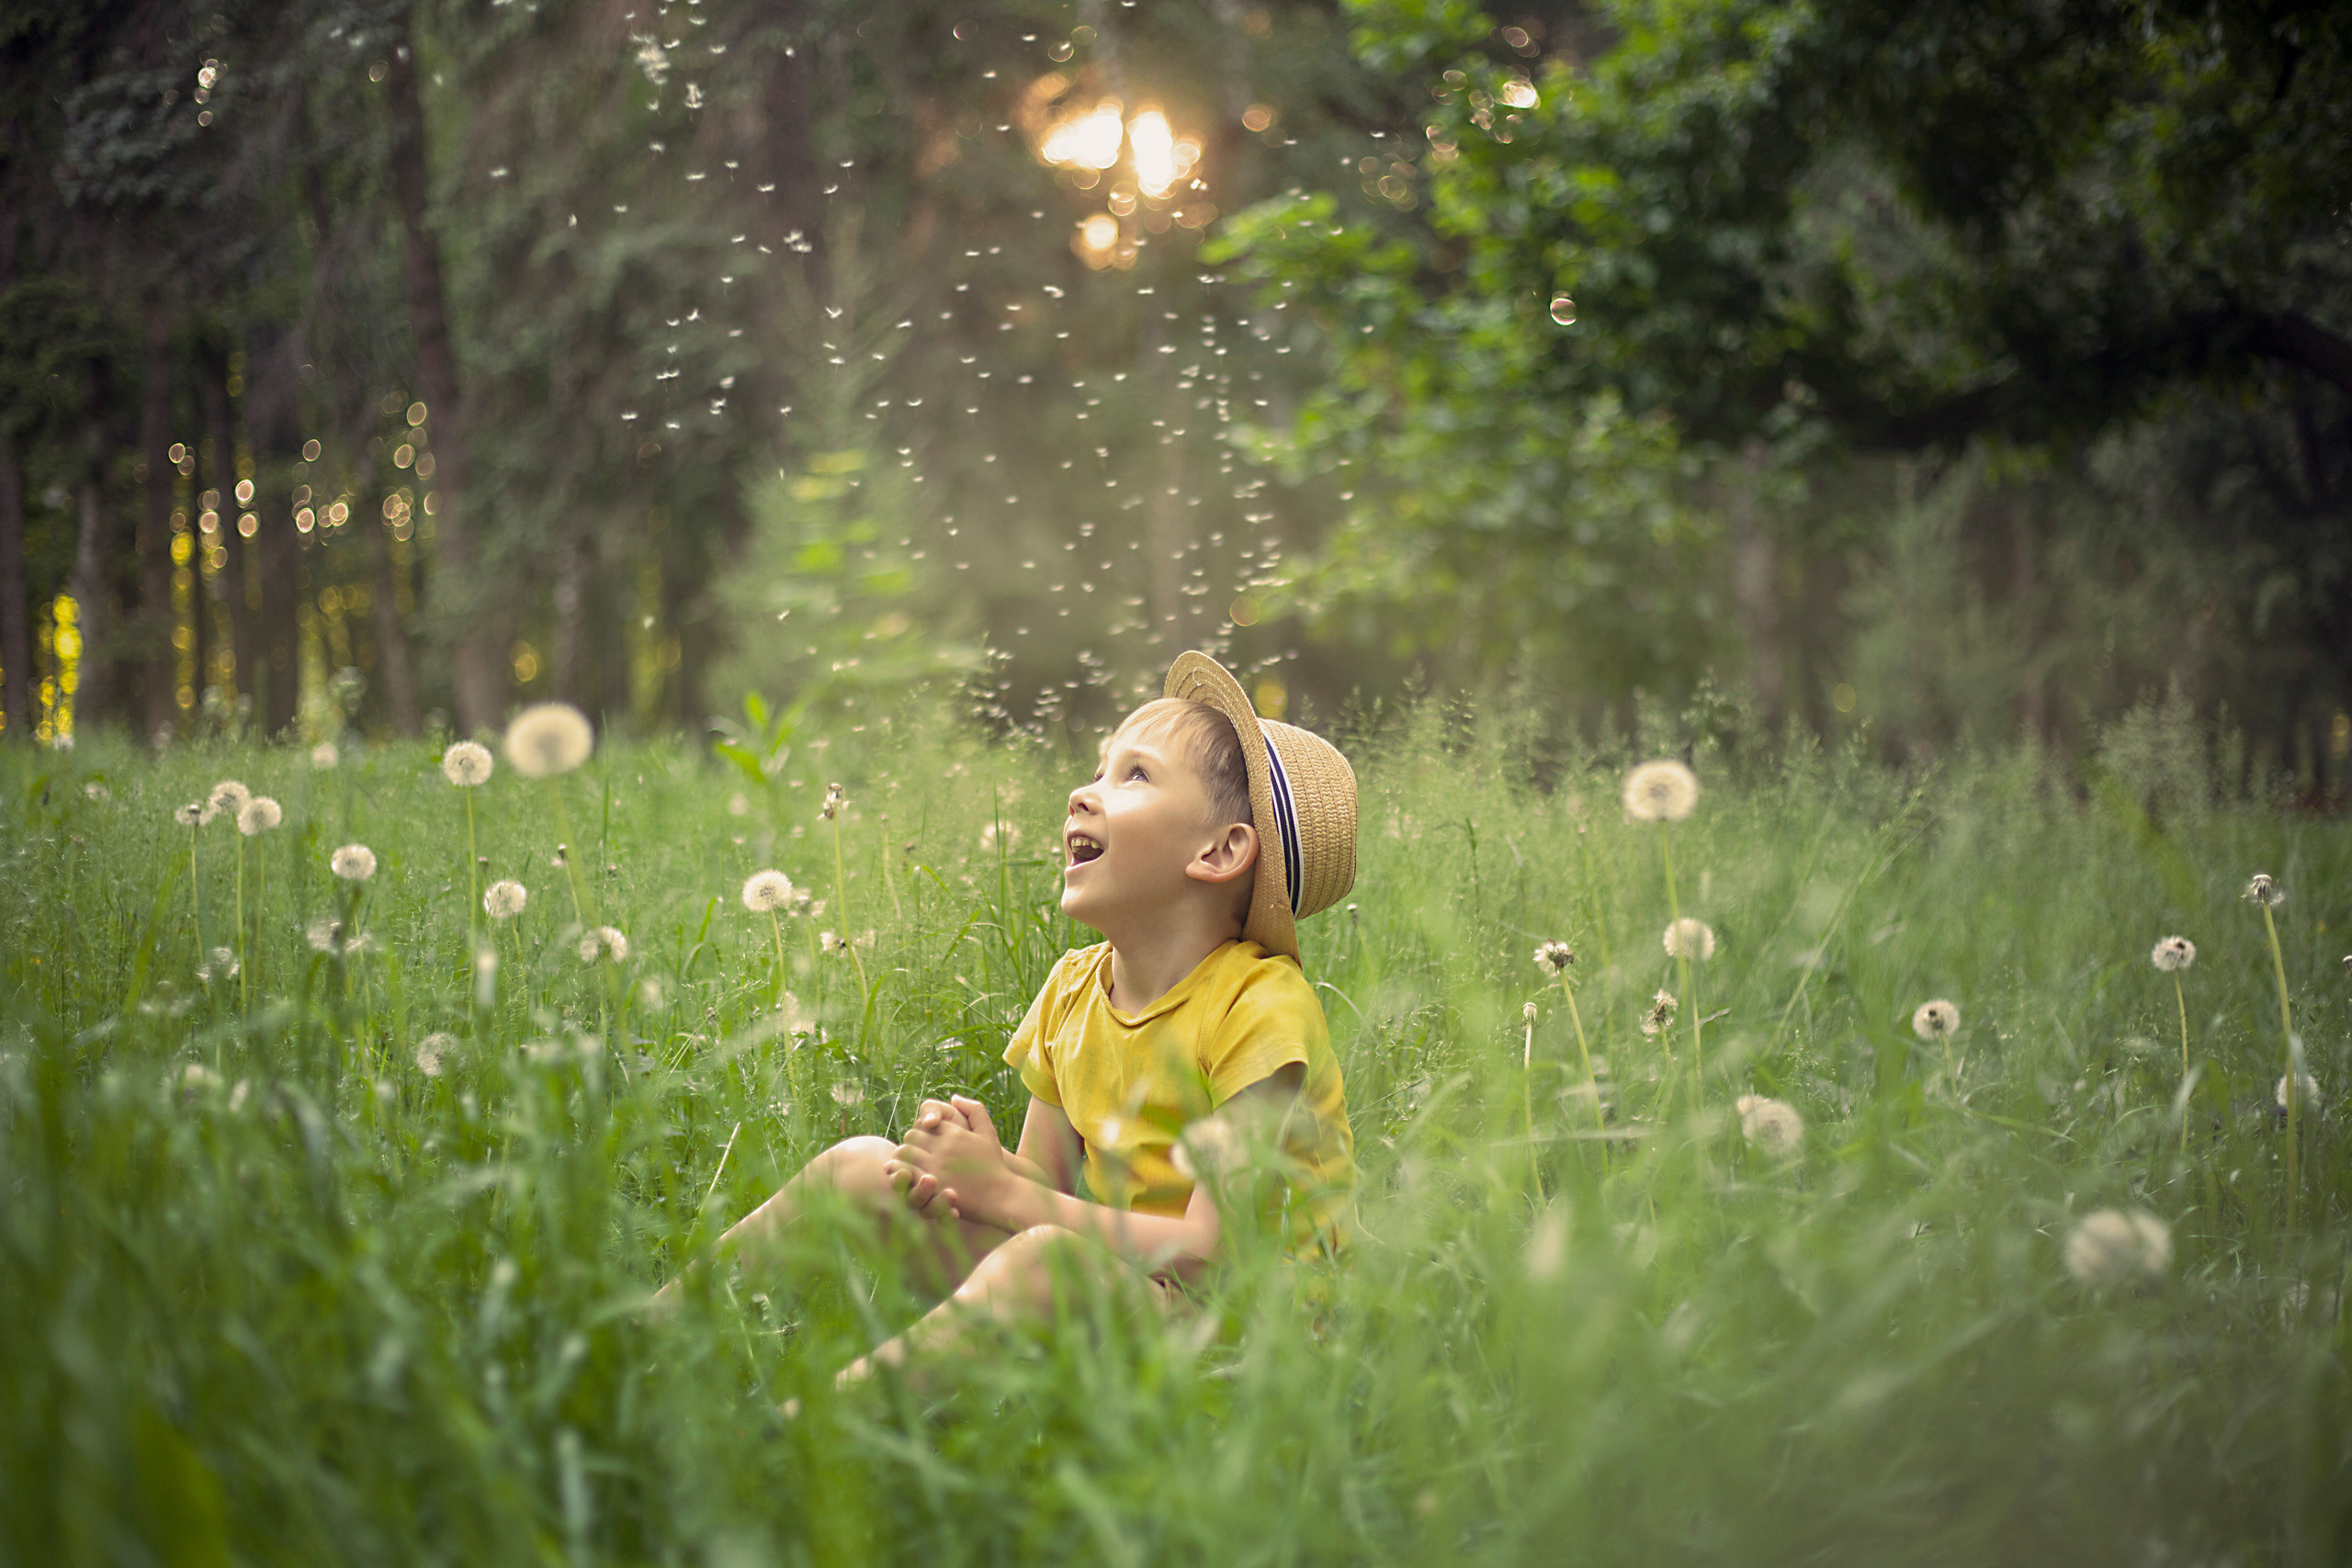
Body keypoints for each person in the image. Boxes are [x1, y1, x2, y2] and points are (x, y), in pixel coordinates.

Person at [657, 650, 1359, 1383]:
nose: (1082, 794)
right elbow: (1040, 1179)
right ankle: (648, 1335)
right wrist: (973, 1166)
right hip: (1133, 1290)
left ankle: (816, 1435)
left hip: (1253, 1335)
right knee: (861, 1165)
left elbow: (1213, 1250)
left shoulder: (1259, 1005)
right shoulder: (1072, 990)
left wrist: (1010, 1193)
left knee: (1046, 1258)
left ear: (1220, 852)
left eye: (1135, 774)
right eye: (1096, 768)